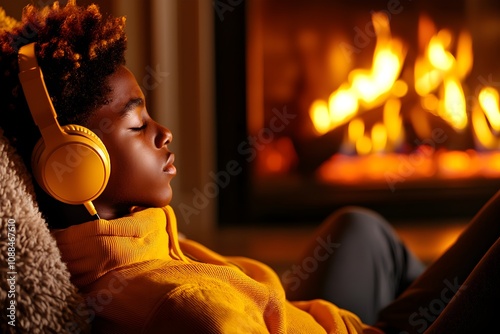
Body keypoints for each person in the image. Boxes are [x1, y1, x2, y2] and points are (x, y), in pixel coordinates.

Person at [0, 2, 498, 333]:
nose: (164, 132)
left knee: (358, 228)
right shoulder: (187, 308)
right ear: (74, 166)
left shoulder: (134, 239)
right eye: (136, 126)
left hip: (323, 321)